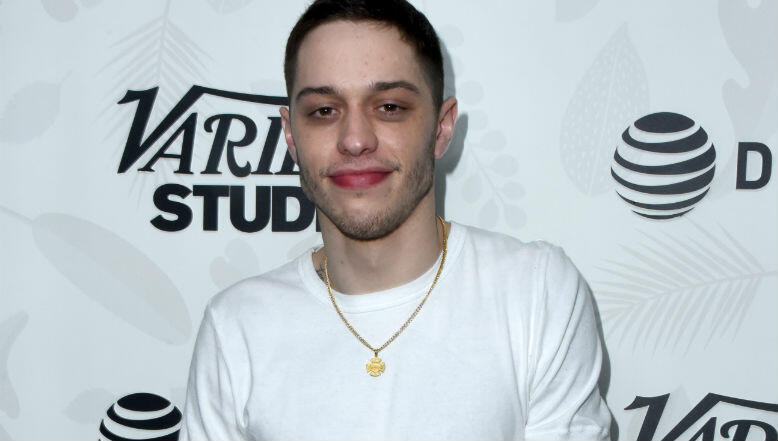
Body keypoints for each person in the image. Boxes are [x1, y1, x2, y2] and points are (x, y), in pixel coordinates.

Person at [180, 0, 612, 439]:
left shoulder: (535, 291)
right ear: (291, 135)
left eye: (389, 106)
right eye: (324, 110)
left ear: (441, 128)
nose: (355, 140)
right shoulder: (236, 326)